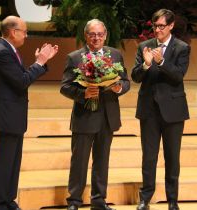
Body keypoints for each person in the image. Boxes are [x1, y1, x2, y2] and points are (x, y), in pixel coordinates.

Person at [0, 15, 58, 210]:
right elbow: (21, 82)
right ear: (13, 32)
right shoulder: (1, 52)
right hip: (6, 116)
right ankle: (0, 205)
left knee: (12, 163)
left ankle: (9, 201)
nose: (26, 35)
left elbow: (20, 78)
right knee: (3, 163)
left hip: (13, 117)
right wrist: (40, 62)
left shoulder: (9, 50)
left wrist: (39, 63)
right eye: (24, 32)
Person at [60, 19, 130, 210]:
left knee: (102, 161)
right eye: (92, 34)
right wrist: (83, 94)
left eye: (100, 34)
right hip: (84, 117)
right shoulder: (75, 57)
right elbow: (65, 87)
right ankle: (74, 201)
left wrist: (119, 87)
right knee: (79, 162)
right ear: (86, 36)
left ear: (105, 35)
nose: (96, 38)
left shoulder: (115, 54)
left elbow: (125, 81)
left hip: (108, 117)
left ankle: (98, 200)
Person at [131, 9, 190, 210]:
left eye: (161, 26)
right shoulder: (144, 47)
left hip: (173, 110)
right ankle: (144, 198)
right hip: (149, 110)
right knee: (149, 157)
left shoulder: (182, 48)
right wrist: (146, 65)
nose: (157, 30)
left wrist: (162, 62)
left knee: (172, 157)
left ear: (171, 26)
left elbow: (178, 76)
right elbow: (135, 77)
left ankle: (172, 200)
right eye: (155, 26)